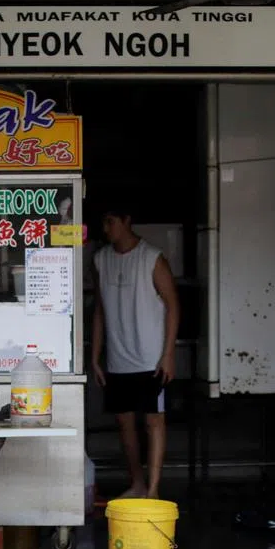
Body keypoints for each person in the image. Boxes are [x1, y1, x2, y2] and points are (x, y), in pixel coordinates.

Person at [91, 209, 181, 500]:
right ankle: (138, 483)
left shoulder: (151, 257)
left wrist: (168, 353)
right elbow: (100, 310)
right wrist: (96, 354)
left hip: (150, 357)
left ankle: (153, 489)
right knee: (124, 423)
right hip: (118, 357)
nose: (106, 228)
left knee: (154, 421)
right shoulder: (100, 259)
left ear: (127, 220)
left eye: (111, 220)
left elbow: (173, 306)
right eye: (103, 222)